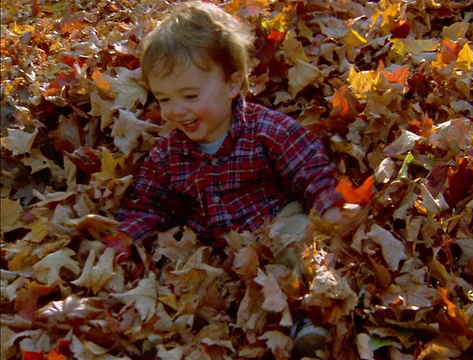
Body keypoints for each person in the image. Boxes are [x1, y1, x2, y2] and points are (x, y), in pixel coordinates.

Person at [103, 1, 350, 358]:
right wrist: (126, 239)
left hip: (274, 225)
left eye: (189, 96)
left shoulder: (267, 131)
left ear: (233, 83)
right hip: (221, 250)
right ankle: (236, 327)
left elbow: (308, 168)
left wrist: (327, 204)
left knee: (300, 239)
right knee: (191, 271)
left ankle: (307, 316)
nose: (177, 110)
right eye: (164, 99)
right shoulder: (168, 155)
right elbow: (151, 203)